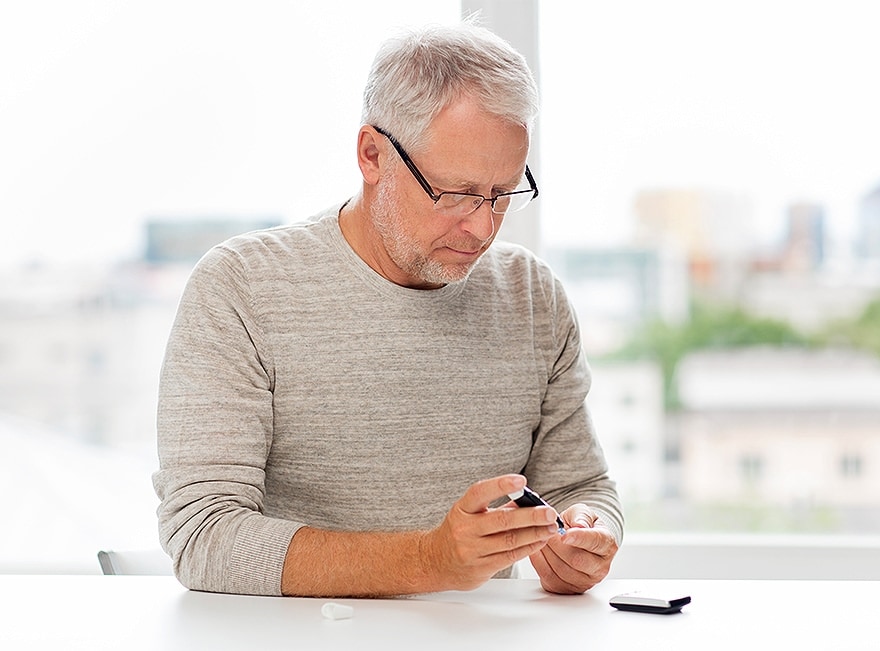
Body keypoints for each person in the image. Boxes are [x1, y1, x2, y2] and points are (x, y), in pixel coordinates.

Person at [153, 20, 623, 598]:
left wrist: (586, 536)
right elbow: (204, 537)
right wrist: (429, 561)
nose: (482, 227)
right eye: (456, 192)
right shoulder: (242, 288)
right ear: (372, 154)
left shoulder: (532, 296)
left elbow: (581, 485)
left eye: (503, 194)